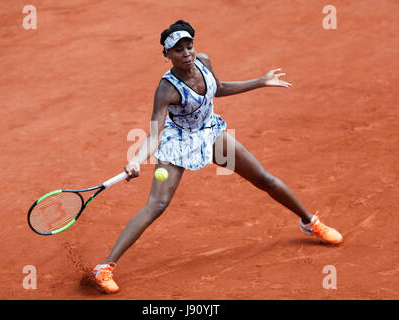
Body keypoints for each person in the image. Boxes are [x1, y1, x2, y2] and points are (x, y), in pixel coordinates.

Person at [92, 20, 343, 294]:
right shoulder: (166, 89)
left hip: (211, 133)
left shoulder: (203, 61)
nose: (186, 53)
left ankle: (309, 222)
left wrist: (260, 81)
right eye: (178, 50)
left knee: (264, 179)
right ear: (167, 56)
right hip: (179, 141)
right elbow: (154, 133)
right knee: (158, 204)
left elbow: (218, 88)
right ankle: (104, 267)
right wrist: (136, 160)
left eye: (189, 46)